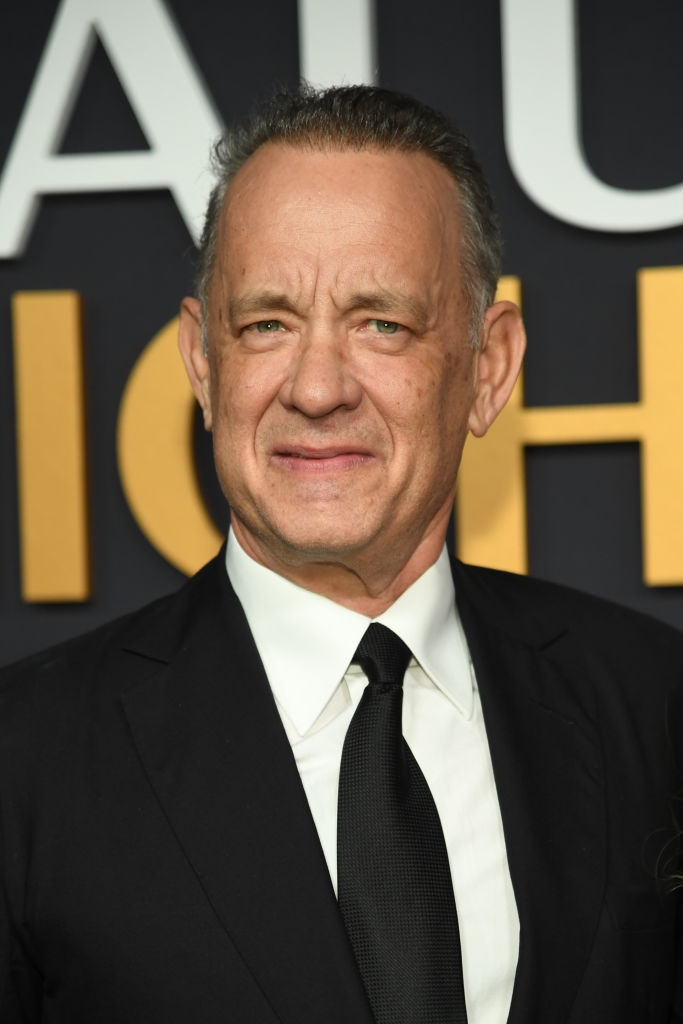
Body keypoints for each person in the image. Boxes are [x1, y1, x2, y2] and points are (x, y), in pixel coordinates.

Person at [0, 84, 681, 1024]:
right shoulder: (23, 757)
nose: (316, 389)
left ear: (487, 369)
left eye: (381, 323)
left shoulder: (651, 702)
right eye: (267, 323)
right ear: (203, 363)